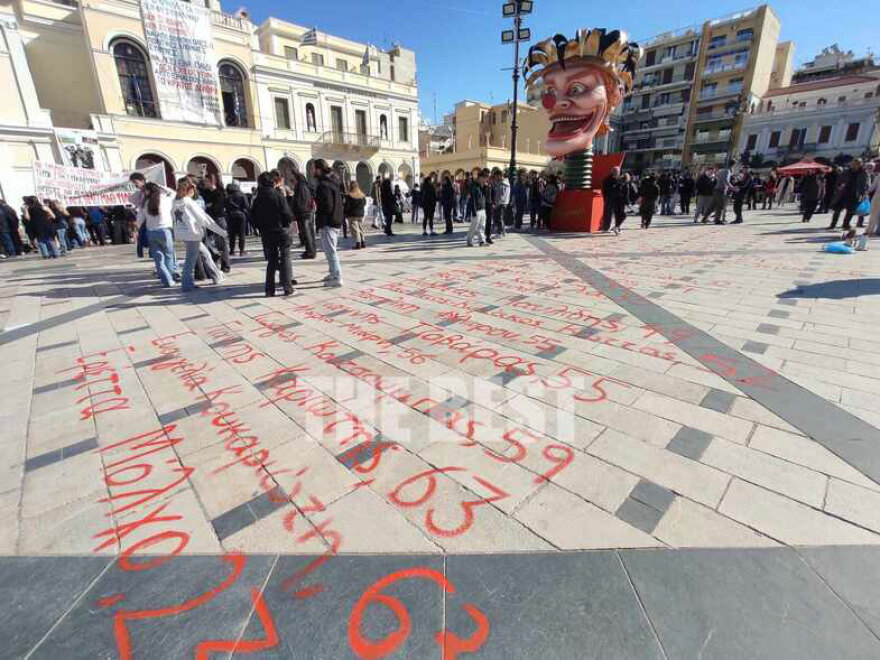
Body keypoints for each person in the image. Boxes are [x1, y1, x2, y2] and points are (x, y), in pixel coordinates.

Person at [172, 178, 227, 291]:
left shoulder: (175, 202)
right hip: (193, 234)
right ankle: (186, 284)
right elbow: (205, 219)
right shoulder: (189, 203)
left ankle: (216, 276)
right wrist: (221, 232)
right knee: (191, 260)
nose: (195, 191)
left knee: (205, 254)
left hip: (184, 234)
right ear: (189, 190)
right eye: (193, 188)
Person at [251, 171, 294, 297]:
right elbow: (287, 214)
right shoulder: (279, 196)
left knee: (272, 260)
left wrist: (260, 227)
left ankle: (269, 290)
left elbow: (253, 218)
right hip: (281, 230)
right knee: (285, 257)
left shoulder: (257, 199)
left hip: (267, 233)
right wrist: (285, 223)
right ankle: (287, 287)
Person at [137, 182, 177, 287]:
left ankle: (166, 280)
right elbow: (173, 192)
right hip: (165, 231)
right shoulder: (165, 199)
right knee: (169, 256)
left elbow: (139, 220)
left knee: (158, 259)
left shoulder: (145, 204)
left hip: (151, 232)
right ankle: (171, 278)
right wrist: (161, 186)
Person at [314, 159, 344, 287]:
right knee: (328, 250)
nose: (312, 171)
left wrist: (321, 219)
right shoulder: (332, 182)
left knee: (330, 251)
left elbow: (327, 205)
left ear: (319, 169)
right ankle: (332, 272)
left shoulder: (324, 185)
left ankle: (337, 276)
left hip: (328, 222)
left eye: (313, 168)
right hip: (335, 221)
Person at [198, 175, 230, 272]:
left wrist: (208, 206)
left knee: (222, 243)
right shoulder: (206, 192)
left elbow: (216, 208)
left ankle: (225, 265)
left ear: (212, 182)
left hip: (219, 220)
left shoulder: (219, 193)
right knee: (210, 242)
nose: (205, 183)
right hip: (209, 221)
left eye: (207, 181)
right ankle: (215, 262)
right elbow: (200, 190)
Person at [829, 159, 870, 230]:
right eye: (852, 164)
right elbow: (839, 180)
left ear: (859, 165)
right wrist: (839, 185)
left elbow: (866, 184)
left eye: (855, 164)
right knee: (837, 209)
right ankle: (832, 225)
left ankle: (846, 224)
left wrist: (865, 193)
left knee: (850, 211)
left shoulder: (863, 172)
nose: (853, 165)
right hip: (844, 193)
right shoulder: (847, 171)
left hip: (855, 194)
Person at [224, 182, 249, 256]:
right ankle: (241, 250)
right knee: (242, 234)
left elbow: (225, 206)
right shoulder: (242, 195)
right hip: (241, 215)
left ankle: (232, 250)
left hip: (230, 215)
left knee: (231, 234)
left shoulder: (227, 196)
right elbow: (246, 206)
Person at [467, 169, 490, 247]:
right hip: (476, 209)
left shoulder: (483, 186)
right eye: (485, 178)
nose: (486, 180)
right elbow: (472, 199)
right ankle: (470, 240)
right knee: (474, 226)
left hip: (483, 208)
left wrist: (486, 187)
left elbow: (486, 196)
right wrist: (473, 210)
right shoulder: (474, 186)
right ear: (480, 177)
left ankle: (482, 241)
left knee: (482, 226)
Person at [601, 167, 624, 232]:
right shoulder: (608, 180)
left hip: (616, 198)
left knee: (616, 213)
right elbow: (606, 190)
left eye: (617, 172)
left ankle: (615, 227)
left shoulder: (619, 179)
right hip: (611, 198)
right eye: (615, 171)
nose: (617, 173)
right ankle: (606, 228)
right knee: (608, 213)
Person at [345, 181, 367, 249]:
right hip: (361, 214)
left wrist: (345, 212)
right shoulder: (362, 195)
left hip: (352, 214)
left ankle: (358, 243)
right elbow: (364, 203)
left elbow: (347, 206)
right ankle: (363, 242)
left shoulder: (349, 196)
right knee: (360, 228)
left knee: (355, 229)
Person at [492, 168, 510, 238]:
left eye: (496, 176)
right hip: (504, 203)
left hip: (500, 203)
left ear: (500, 175)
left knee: (499, 218)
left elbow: (500, 195)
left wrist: (496, 204)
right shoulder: (506, 182)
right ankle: (503, 232)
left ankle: (499, 233)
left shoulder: (502, 183)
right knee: (500, 218)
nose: (495, 178)